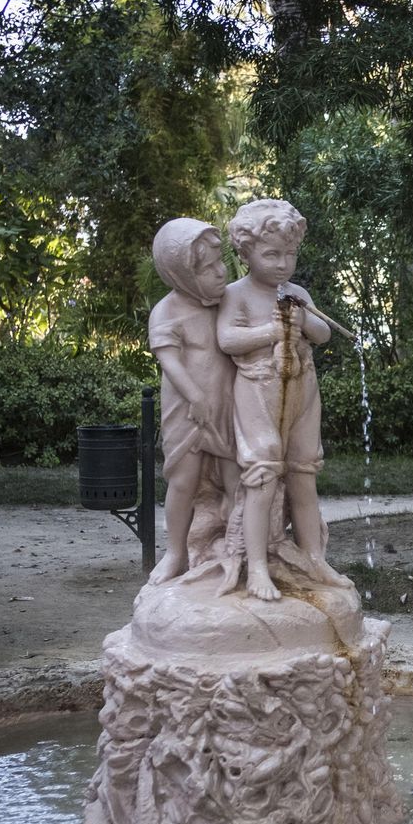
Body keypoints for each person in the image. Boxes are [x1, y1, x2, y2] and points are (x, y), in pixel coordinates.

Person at [217, 199, 352, 601]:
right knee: (262, 470)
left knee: (303, 471)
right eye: (271, 254)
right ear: (245, 253)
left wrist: (304, 321)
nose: (282, 264)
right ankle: (256, 565)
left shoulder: (296, 292)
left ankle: (314, 557)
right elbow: (227, 339)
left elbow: (324, 334)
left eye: (289, 254)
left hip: (302, 389)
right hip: (258, 389)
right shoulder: (236, 295)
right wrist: (272, 332)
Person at [147, 218, 241, 585]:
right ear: (181, 275)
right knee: (183, 482)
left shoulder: (226, 302)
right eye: (208, 268)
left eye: (222, 262)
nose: (221, 273)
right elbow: (168, 360)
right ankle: (176, 552)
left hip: (228, 405)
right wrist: (195, 396)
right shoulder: (167, 312)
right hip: (186, 411)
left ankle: (239, 549)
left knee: (236, 480)